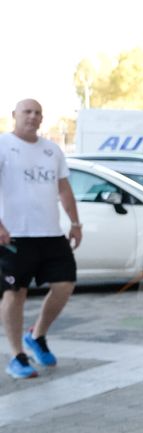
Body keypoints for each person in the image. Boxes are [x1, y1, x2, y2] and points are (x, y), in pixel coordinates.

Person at [0, 99, 82, 379]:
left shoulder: (52, 150)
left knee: (65, 285)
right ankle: (17, 356)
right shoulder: (3, 146)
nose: (32, 117)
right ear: (15, 115)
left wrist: (75, 223)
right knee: (15, 293)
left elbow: (64, 189)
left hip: (50, 234)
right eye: (27, 112)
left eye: (37, 113)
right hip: (14, 236)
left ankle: (36, 335)